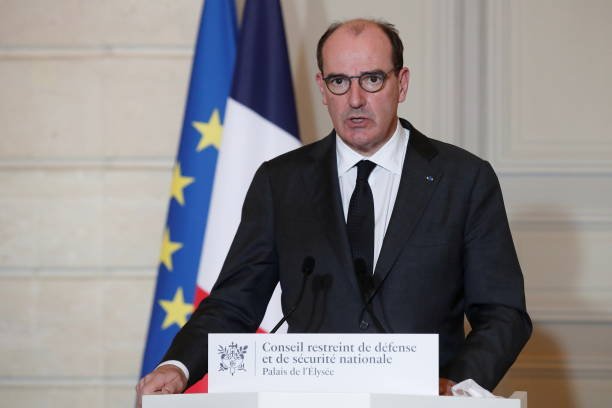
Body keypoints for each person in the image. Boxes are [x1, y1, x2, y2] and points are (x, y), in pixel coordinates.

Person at [137, 18, 532, 402]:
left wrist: (457, 386)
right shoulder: (282, 181)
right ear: (322, 88)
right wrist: (178, 365)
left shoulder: (462, 179)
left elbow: (502, 312)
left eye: (372, 79)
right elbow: (234, 302)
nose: (355, 99)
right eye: (339, 81)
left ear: (402, 83)